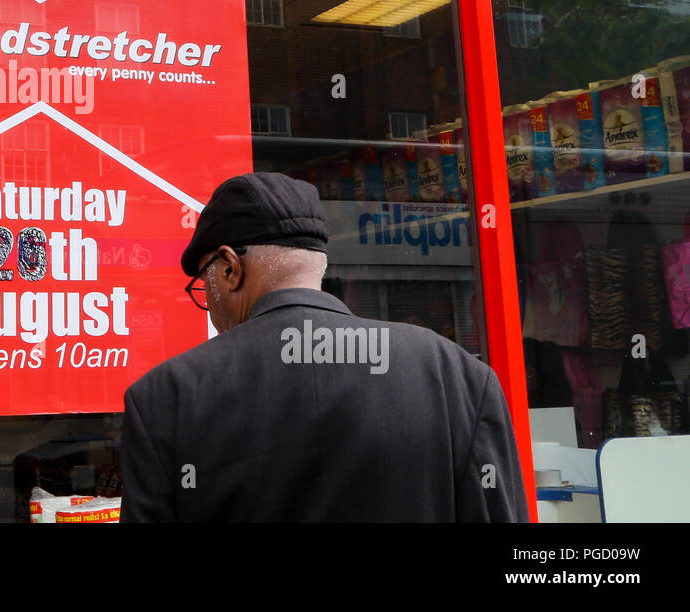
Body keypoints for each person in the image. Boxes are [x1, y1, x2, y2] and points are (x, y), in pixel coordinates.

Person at [119, 172, 529, 522]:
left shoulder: (163, 398)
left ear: (230, 268)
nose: (209, 306)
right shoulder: (457, 377)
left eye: (204, 288)